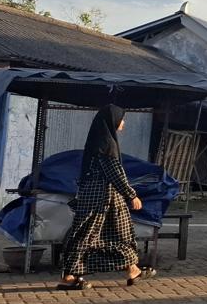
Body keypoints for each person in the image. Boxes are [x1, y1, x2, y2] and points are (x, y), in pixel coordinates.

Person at [57, 105, 152, 290]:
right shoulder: (105, 144)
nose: (123, 123)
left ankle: (132, 269)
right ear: (112, 121)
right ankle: (68, 277)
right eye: (122, 119)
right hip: (99, 198)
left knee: (119, 234)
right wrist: (131, 194)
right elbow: (114, 172)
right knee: (86, 235)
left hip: (107, 198)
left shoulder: (101, 141)